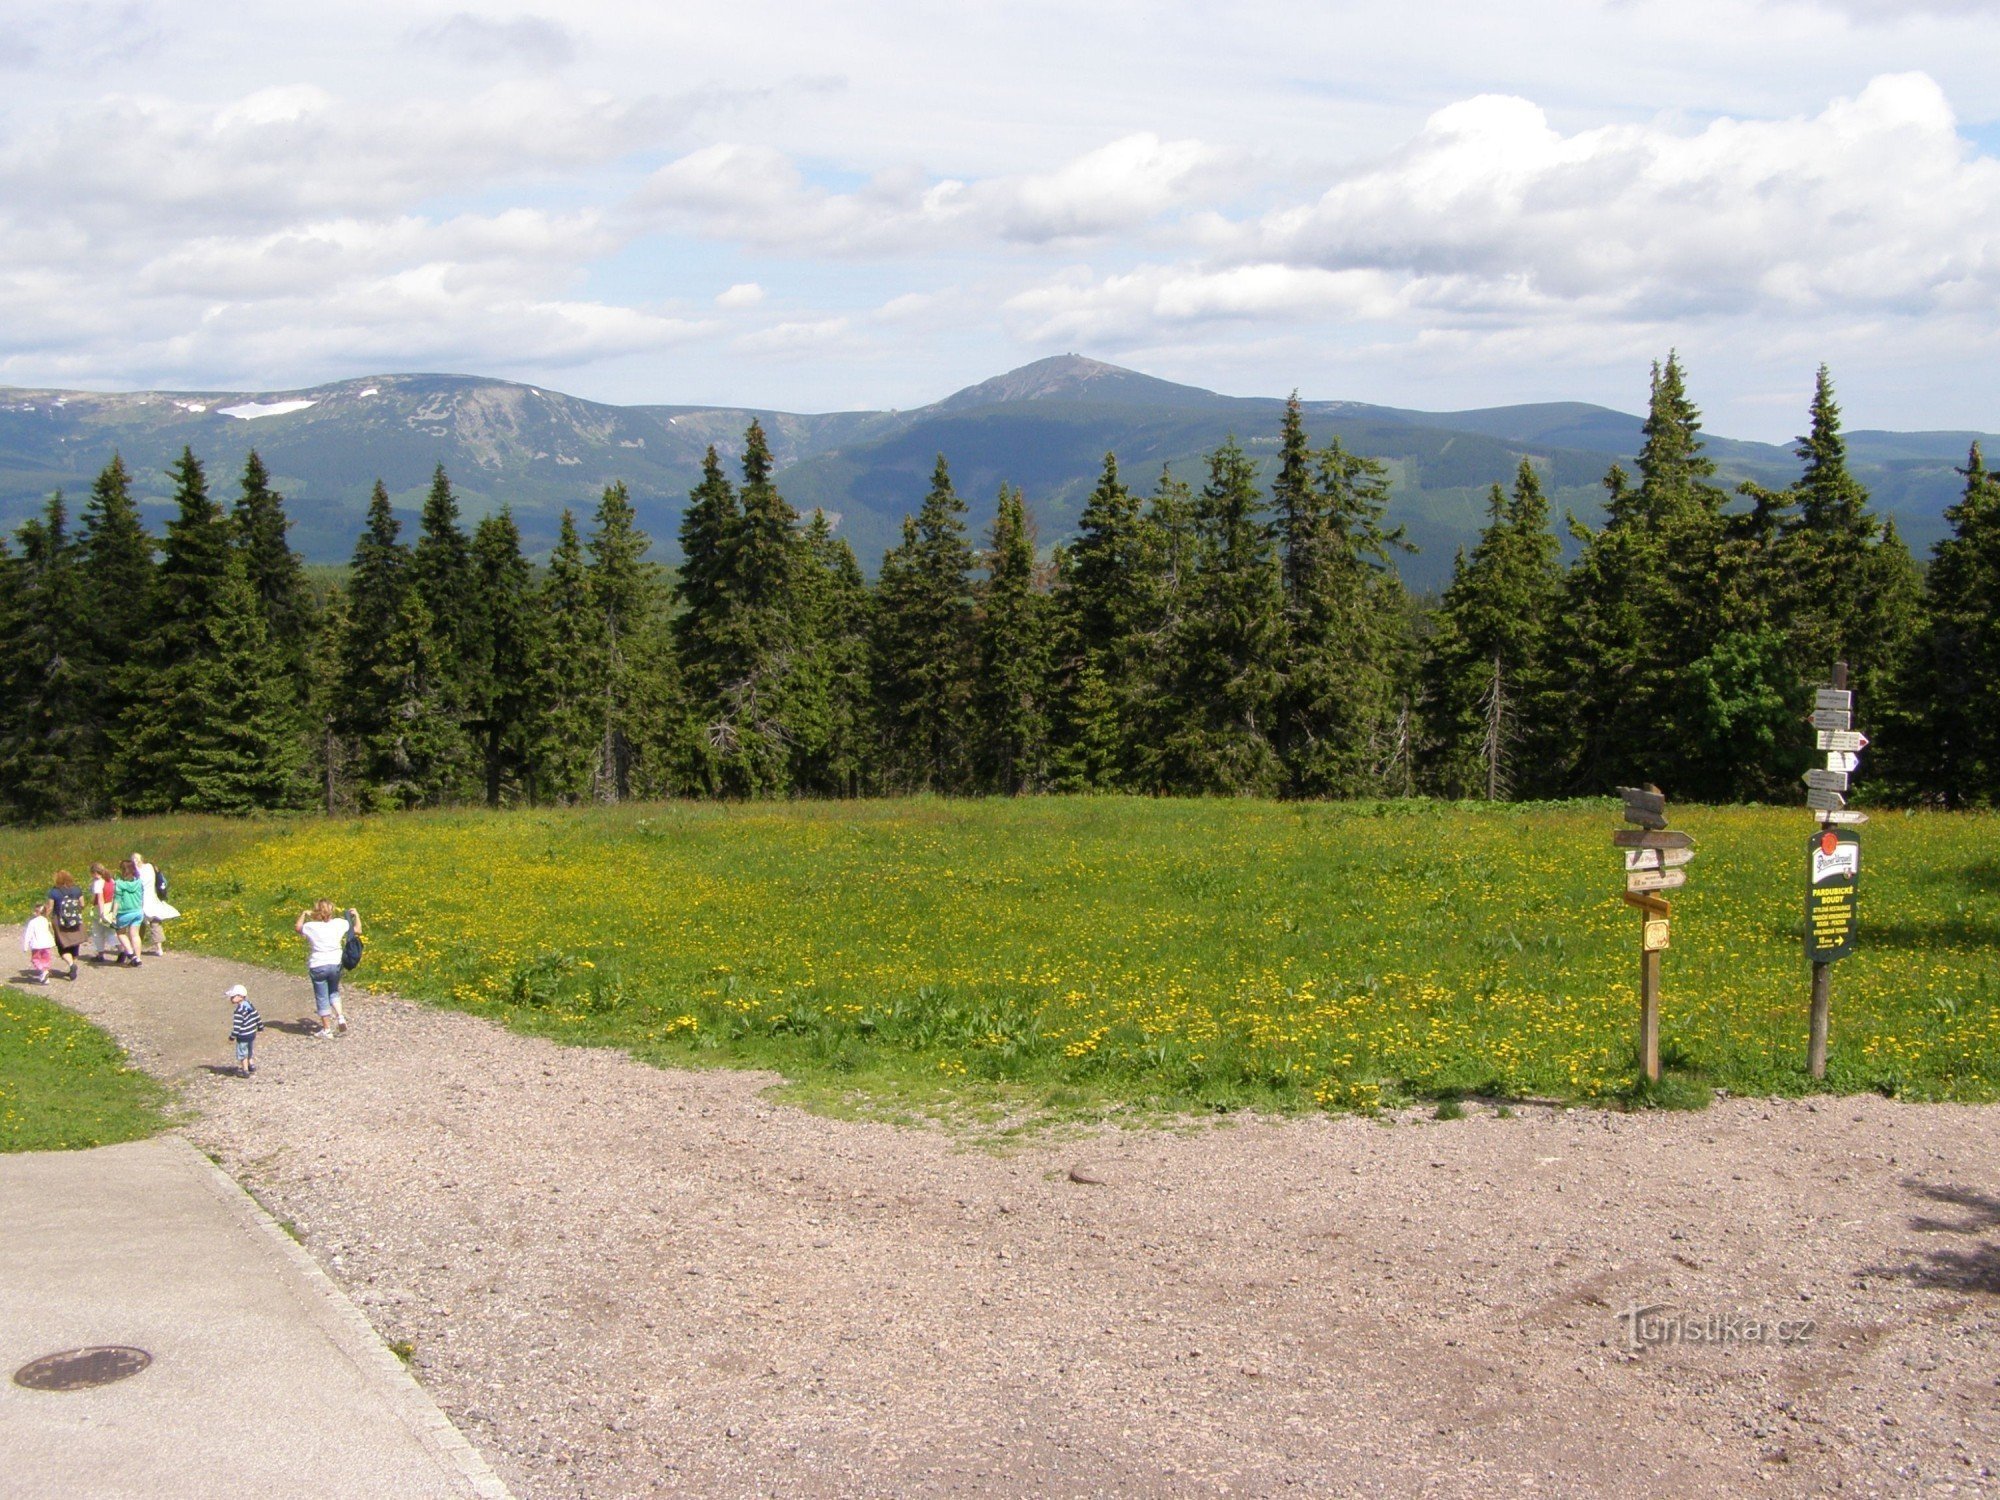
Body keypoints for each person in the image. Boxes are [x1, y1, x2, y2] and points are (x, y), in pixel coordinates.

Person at [294, 900, 360, 1037]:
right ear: (332, 910)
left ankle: (327, 1029)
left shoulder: (311, 926)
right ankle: (340, 1016)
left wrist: (303, 914)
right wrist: (357, 916)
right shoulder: (339, 923)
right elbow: (358, 930)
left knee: (322, 997)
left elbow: (298, 928)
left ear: (316, 911)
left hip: (318, 965)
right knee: (333, 991)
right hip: (335, 963)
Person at [132, 850, 180, 957]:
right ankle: (159, 948)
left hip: (140, 900)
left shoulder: (136, 872)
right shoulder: (150, 867)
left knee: (139, 923)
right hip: (152, 898)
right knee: (155, 922)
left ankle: (136, 946)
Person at [47, 870, 85, 981]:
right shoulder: (77, 889)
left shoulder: (54, 892)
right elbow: (82, 904)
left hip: (60, 922)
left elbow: (50, 908)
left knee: (62, 946)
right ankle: (72, 965)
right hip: (75, 921)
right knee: (74, 944)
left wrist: (45, 917)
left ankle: (71, 964)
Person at [111, 858, 147, 966]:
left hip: (124, 912)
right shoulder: (139, 882)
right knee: (135, 935)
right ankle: (138, 958)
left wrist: (113, 914)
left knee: (120, 933)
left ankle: (131, 954)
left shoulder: (119, 883)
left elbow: (117, 900)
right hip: (137, 911)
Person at [226, 983, 262, 1076]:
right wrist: (260, 1025)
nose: (231, 999)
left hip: (243, 1035)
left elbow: (237, 1027)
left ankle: (245, 1070)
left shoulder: (238, 1011)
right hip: (252, 1033)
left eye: (233, 997)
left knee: (242, 1053)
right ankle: (252, 1065)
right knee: (250, 1049)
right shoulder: (249, 1005)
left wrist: (232, 1037)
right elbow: (256, 1015)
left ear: (240, 997)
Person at [87, 861, 118, 961]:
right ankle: (122, 950)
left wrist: (101, 913)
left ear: (94, 872)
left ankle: (100, 954)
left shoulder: (98, 883)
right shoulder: (111, 880)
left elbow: (100, 898)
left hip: (101, 908)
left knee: (97, 932)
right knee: (112, 931)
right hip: (111, 907)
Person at [21, 901, 56, 984]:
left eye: (35, 911)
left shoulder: (33, 922)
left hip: (37, 944)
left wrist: (25, 946)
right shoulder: (46, 921)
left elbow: (28, 934)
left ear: (38, 912)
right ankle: (45, 976)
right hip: (47, 944)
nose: (33, 913)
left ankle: (43, 971)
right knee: (46, 959)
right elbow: (50, 931)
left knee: (35, 959)